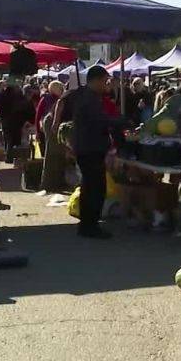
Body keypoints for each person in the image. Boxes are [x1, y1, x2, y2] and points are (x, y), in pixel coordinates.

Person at [62, 66, 129, 239]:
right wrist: (120, 121)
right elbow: (99, 120)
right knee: (96, 188)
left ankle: (87, 224)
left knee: (89, 186)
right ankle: (91, 225)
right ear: (96, 80)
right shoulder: (89, 98)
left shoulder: (87, 96)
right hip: (90, 147)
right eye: (104, 81)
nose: (106, 84)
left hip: (86, 146)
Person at [36, 80, 65, 153]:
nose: (63, 91)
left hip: (45, 128)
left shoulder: (44, 99)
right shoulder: (60, 100)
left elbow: (38, 116)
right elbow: (38, 116)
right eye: (61, 89)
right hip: (50, 127)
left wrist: (38, 131)